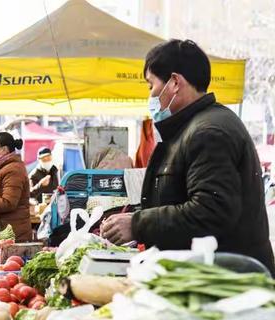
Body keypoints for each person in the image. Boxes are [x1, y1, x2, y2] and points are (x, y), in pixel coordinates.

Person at [100, 39, 275, 274]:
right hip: (210, 274)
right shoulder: (194, 128)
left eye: (151, 85)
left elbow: (210, 211)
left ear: (174, 82)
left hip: (226, 284)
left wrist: (138, 224)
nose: (151, 96)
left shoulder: (209, 133)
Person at [0, 132, 31, 242]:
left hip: (13, 233)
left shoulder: (13, 170)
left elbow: (8, 203)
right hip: (3, 230)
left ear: (4, 149)